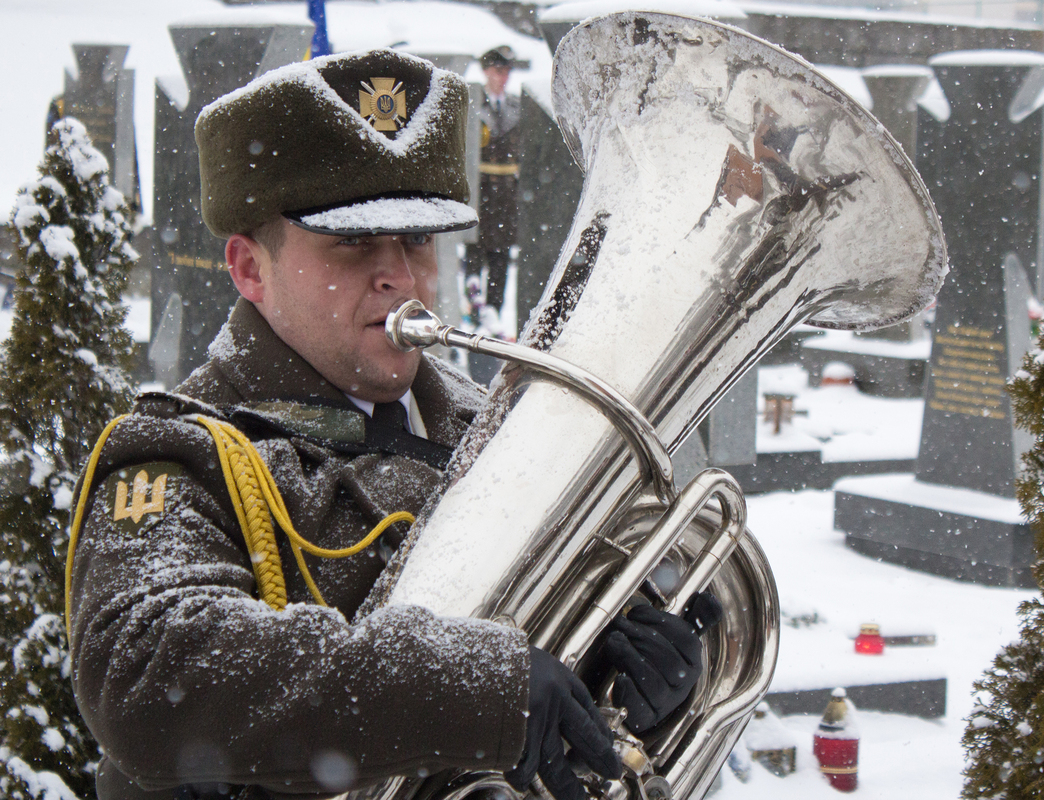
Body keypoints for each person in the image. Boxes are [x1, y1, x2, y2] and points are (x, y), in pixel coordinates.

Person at [67, 49, 714, 800]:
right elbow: (149, 673)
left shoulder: (497, 428)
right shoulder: (178, 453)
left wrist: (633, 693)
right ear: (249, 268)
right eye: (353, 243)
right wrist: (474, 687)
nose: (401, 278)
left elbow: (550, 686)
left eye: (416, 242)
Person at [463, 45, 520, 327]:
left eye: (508, 71)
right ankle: (474, 310)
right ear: (487, 71)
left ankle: (495, 312)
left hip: (506, 194)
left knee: (501, 255)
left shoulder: (515, 106)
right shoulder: (475, 103)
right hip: (481, 191)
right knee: (476, 252)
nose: (504, 76)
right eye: (499, 70)